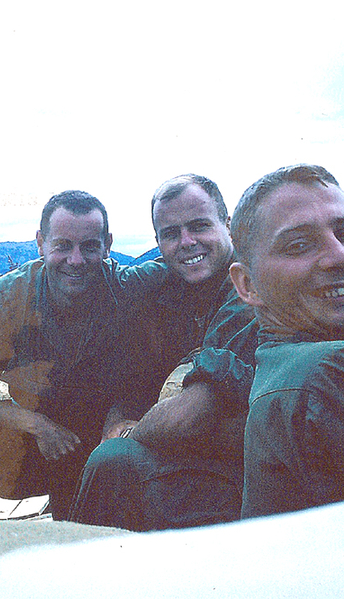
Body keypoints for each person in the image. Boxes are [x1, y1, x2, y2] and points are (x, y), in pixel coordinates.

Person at [0, 190, 167, 534]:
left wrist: (124, 415)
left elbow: (193, 266)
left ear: (108, 244)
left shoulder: (132, 288)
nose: (76, 260)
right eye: (63, 246)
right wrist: (33, 423)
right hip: (27, 447)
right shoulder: (8, 298)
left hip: (99, 449)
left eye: (90, 247)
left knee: (116, 468)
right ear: (40, 243)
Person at [69, 174, 258, 531]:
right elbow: (136, 385)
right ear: (157, 241)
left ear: (227, 225)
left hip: (249, 467)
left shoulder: (248, 287)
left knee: (114, 460)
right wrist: (116, 420)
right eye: (171, 234)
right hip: (194, 450)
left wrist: (128, 434)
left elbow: (191, 416)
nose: (186, 242)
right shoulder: (162, 291)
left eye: (199, 226)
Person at [229, 164, 344, 518]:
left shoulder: (278, 367)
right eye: (299, 245)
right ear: (247, 285)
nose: (339, 254)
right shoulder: (327, 372)